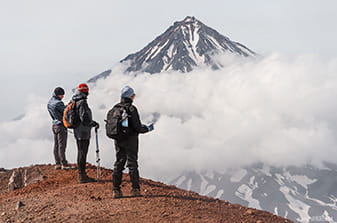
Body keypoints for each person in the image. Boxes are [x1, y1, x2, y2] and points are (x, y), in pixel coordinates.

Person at [112, 86, 154, 198]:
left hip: (118, 139)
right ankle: (135, 189)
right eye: (133, 95)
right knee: (132, 163)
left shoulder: (115, 108)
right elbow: (137, 127)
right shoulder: (131, 109)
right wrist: (147, 129)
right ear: (130, 96)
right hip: (131, 140)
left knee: (119, 162)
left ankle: (116, 190)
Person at [72, 83, 100, 183]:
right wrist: (93, 123)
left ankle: (81, 174)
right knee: (83, 152)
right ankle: (82, 176)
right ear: (85, 91)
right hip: (83, 131)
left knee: (80, 152)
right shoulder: (82, 102)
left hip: (77, 131)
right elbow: (84, 118)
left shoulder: (75, 100)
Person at [47, 87, 72, 170]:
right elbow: (65, 111)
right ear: (59, 95)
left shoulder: (50, 102)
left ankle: (57, 163)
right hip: (61, 125)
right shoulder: (58, 103)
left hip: (54, 125)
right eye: (62, 95)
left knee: (56, 145)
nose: (63, 97)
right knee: (62, 145)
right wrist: (69, 106)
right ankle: (64, 163)